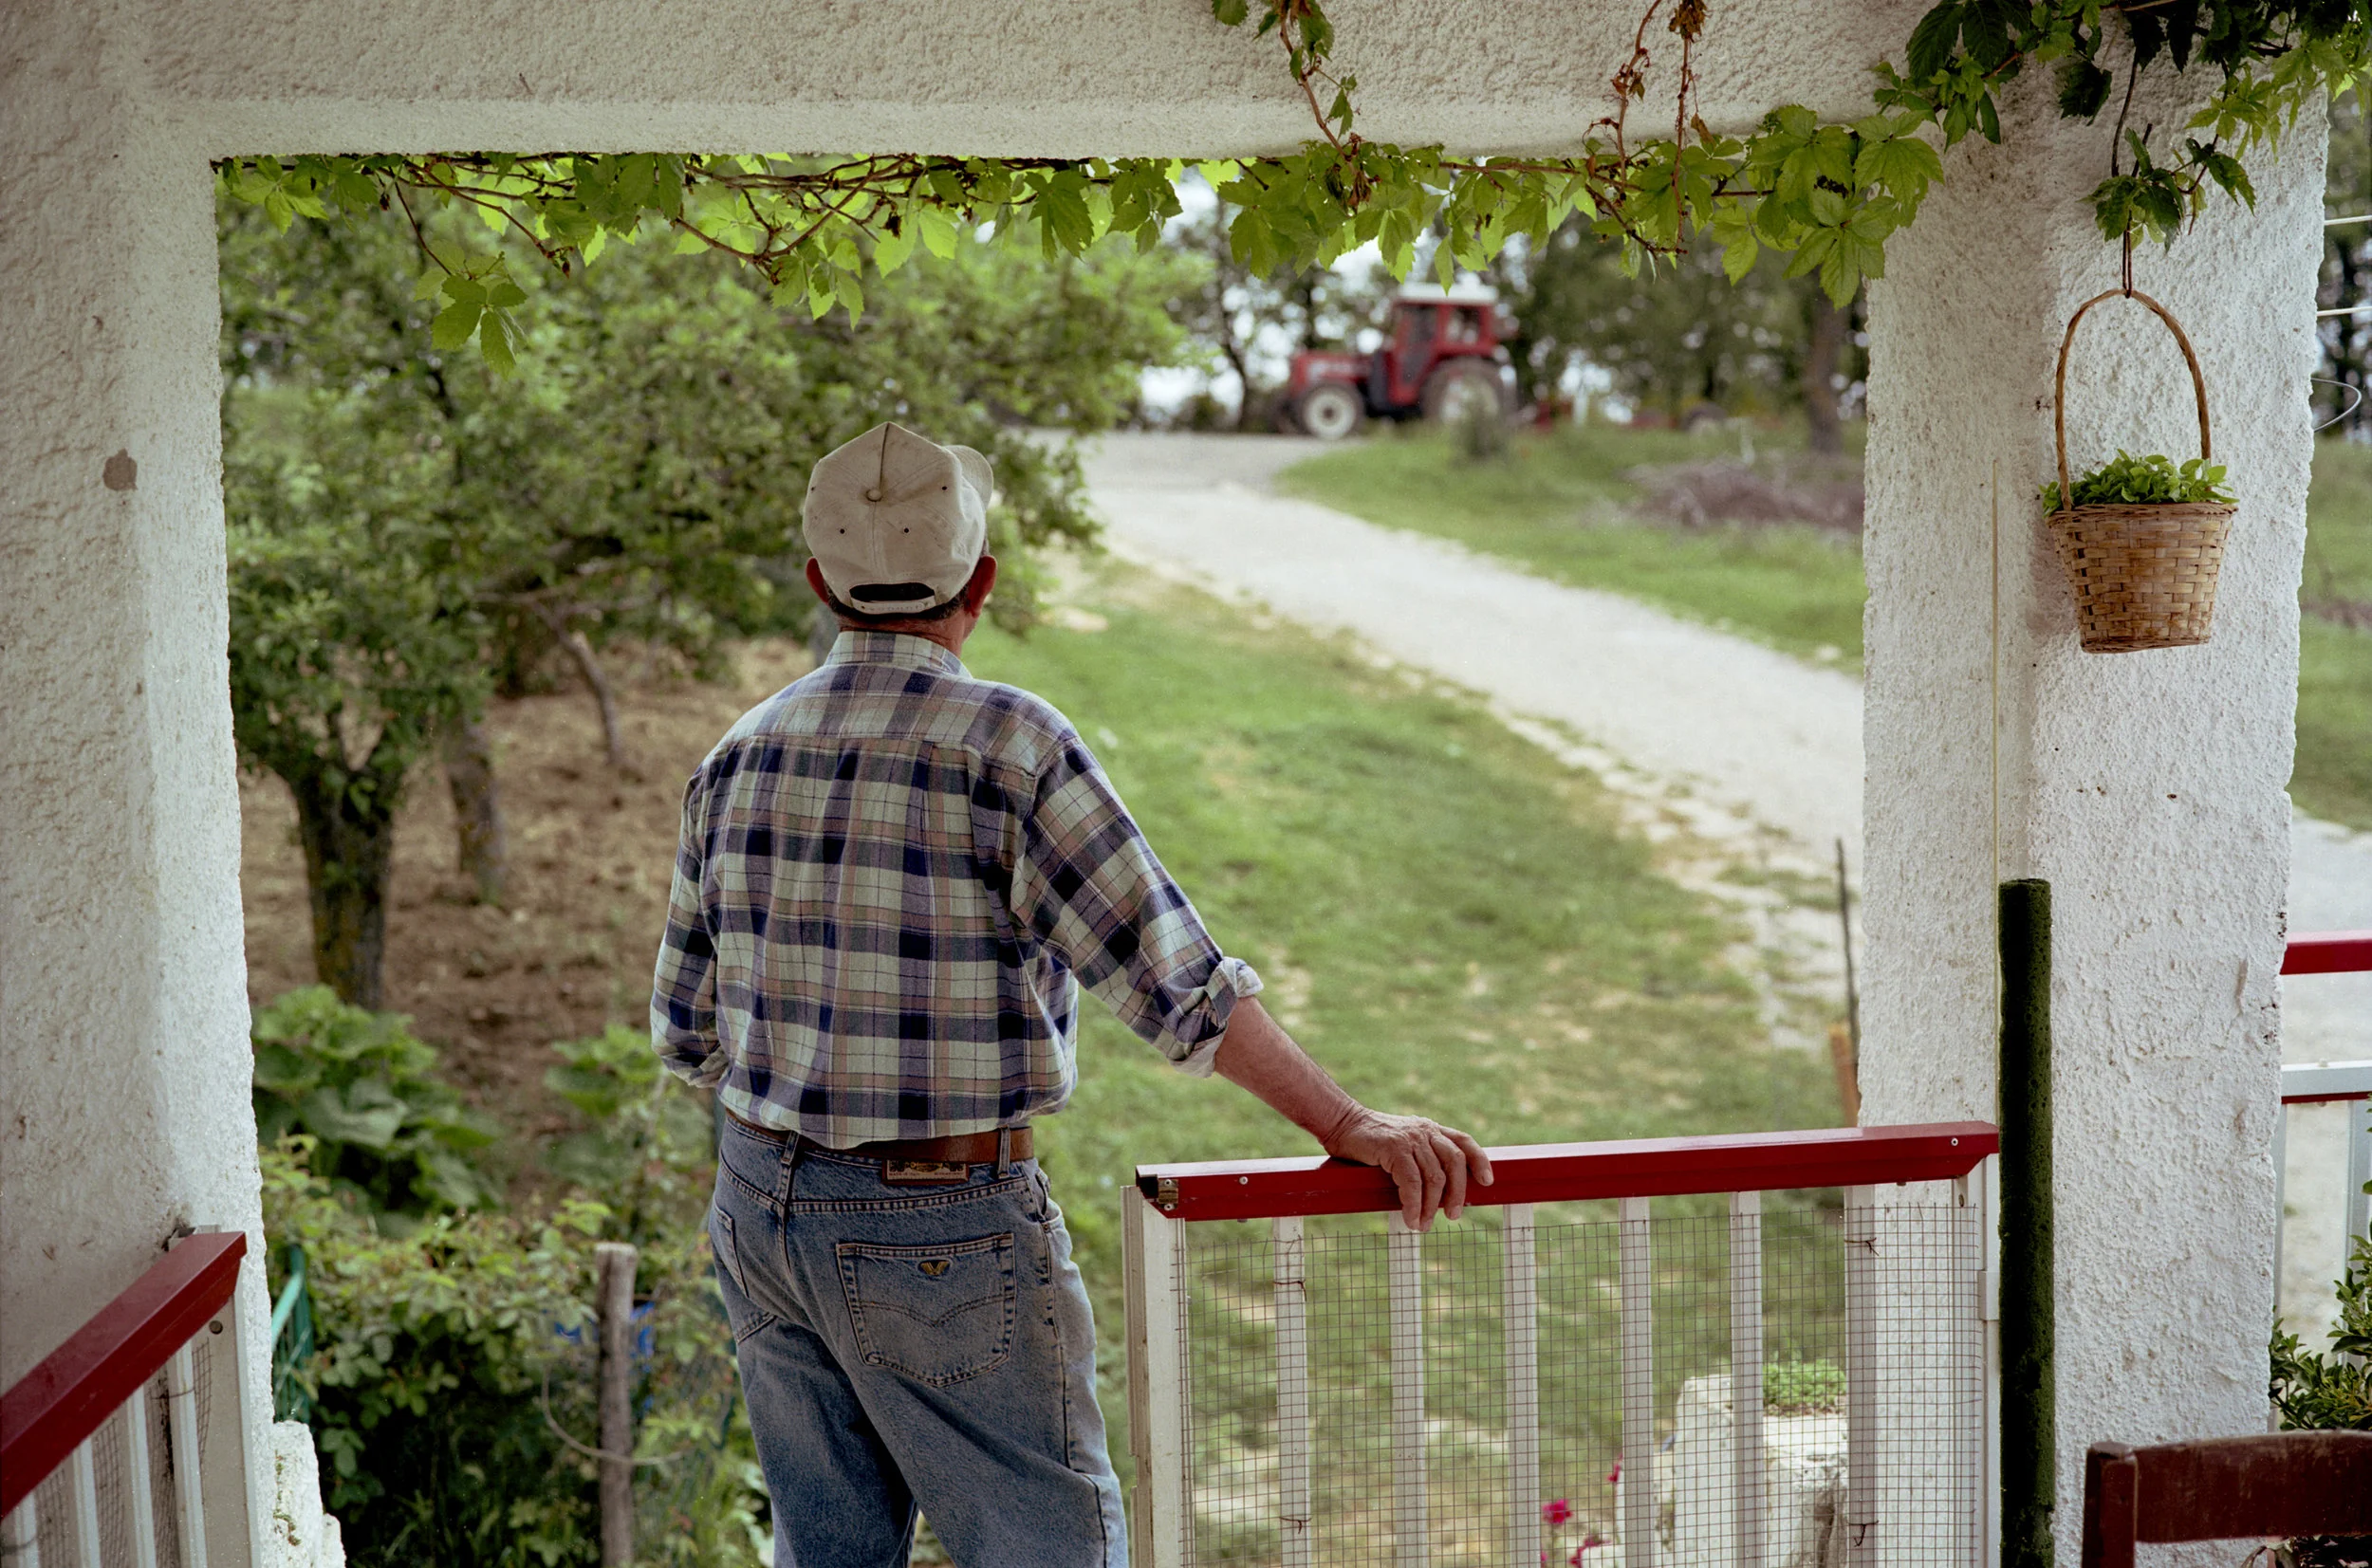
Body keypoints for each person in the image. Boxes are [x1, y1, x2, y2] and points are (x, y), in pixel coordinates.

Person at [651, 422, 1492, 1568]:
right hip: (936, 1222)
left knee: (827, 1552)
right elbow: (1177, 985)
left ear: (820, 582)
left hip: (758, 1207)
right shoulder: (1009, 745)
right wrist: (1345, 1125)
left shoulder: (737, 756)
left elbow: (688, 1032)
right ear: (978, 584)